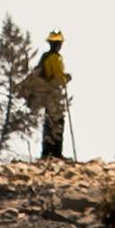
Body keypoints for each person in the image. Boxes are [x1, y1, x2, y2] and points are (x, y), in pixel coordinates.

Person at [37, 30, 71, 160]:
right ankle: (55, 154)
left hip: (47, 94)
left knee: (49, 123)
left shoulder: (46, 57)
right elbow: (59, 78)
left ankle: (46, 153)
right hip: (54, 94)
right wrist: (66, 78)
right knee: (57, 123)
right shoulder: (55, 58)